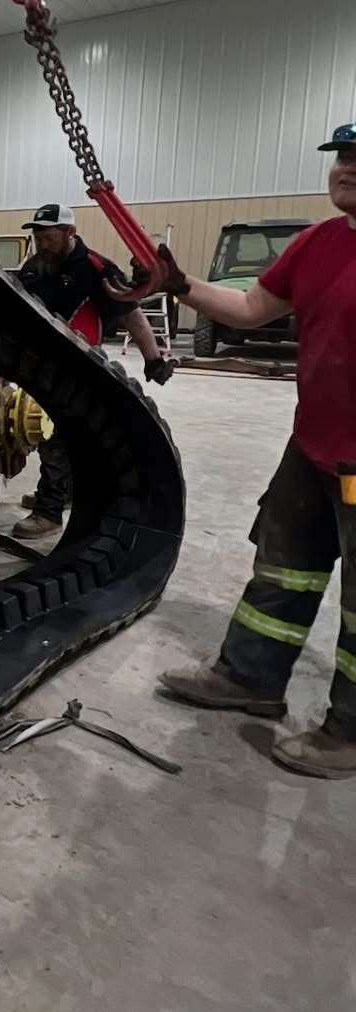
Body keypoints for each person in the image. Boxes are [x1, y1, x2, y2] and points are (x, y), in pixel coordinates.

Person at [157, 123, 356, 776]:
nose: (346, 168)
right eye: (341, 157)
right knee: (283, 565)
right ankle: (251, 677)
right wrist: (179, 284)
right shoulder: (318, 243)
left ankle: (348, 732)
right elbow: (246, 307)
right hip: (312, 445)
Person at [10, 202, 173, 543]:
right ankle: (63, 491)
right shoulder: (35, 266)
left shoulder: (96, 268)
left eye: (49, 233)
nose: (41, 240)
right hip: (44, 363)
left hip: (82, 363)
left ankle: (49, 511)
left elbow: (131, 312)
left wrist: (153, 359)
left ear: (70, 232)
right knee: (58, 430)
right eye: (37, 233)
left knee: (51, 432)